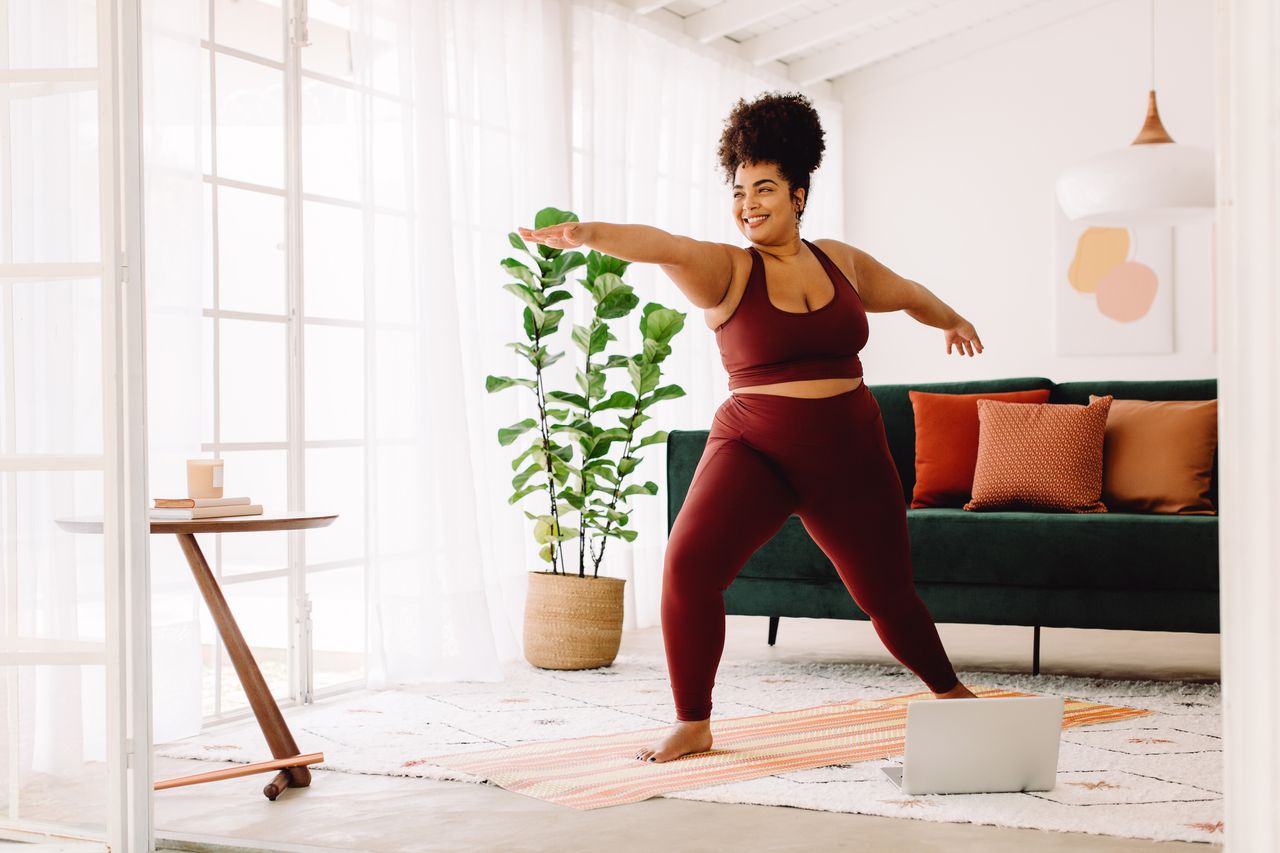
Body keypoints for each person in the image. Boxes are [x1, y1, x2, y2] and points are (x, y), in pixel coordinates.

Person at [518, 91, 983, 765]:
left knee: (886, 592)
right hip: (756, 446)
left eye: (763, 188)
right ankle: (693, 720)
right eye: (738, 191)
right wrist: (591, 235)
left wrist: (951, 319)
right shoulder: (729, 269)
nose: (748, 204)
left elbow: (905, 290)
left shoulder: (840, 262)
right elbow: (665, 245)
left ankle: (948, 690)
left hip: (850, 449)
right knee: (688, 564)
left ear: (798, 192)